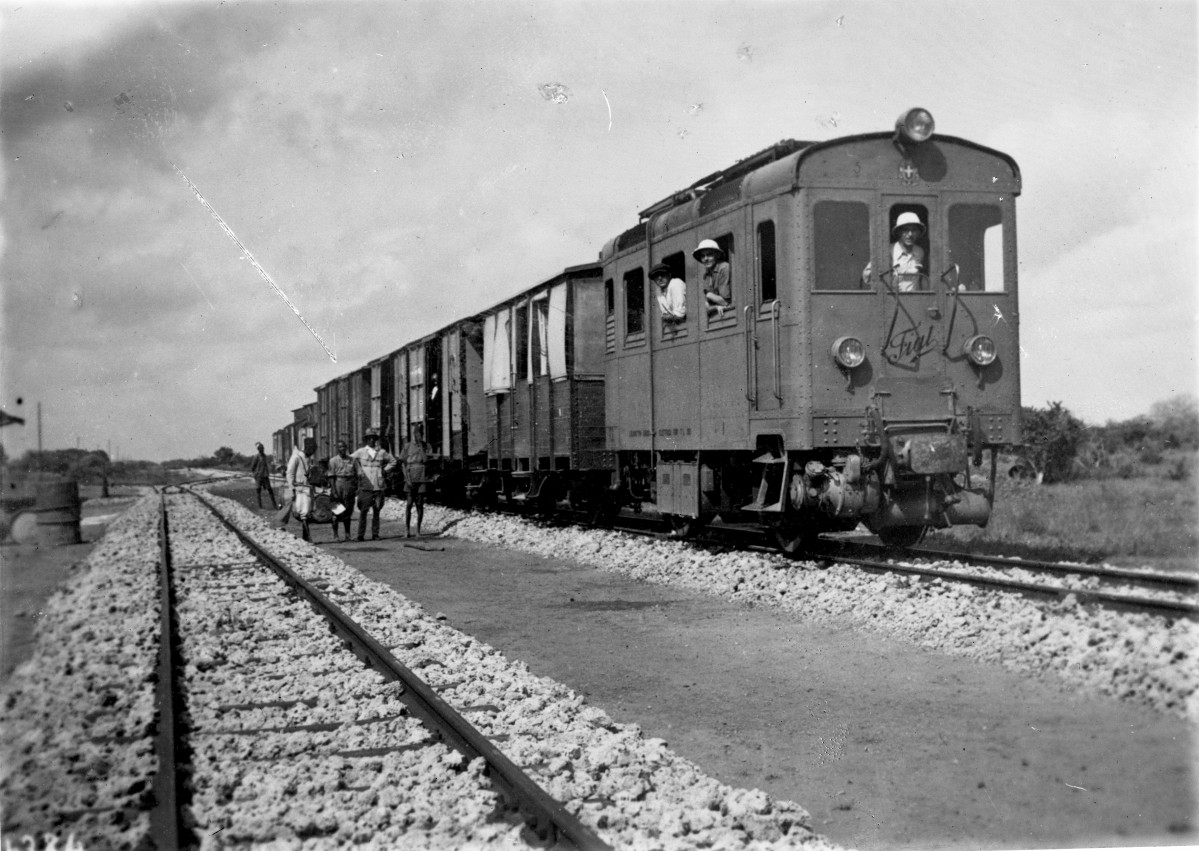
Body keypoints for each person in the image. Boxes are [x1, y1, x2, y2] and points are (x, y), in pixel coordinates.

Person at [351, 429, 397, 541]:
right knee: (363, 511)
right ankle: (360, 535)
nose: (371, 440)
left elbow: (393, 461)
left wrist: (385, 470)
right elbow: (350, 460)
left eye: (373, 438)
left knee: (377, 510)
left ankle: (375, 534)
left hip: (378, 484)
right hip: (365, 485)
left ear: (376, 440)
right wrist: (358, 470)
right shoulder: (361, 452)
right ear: (366, 440)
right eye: (369, 438)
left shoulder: (381, 452)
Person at [863, 212, 927, 291]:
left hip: (915, 299)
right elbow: (867, 277)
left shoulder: (919, 252)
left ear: (918, 233)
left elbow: (922, 278)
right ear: (899, 232)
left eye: (914, 230)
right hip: (893, 299)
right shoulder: (886, 251)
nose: (910, 234)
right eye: (905, 230)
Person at [400, 423, 430, 538]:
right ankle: (407, 530)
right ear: (413, 434)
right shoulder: (407, 446)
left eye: (420, 434)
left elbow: (425, 460)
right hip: (410, 477)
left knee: (420, 504)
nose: (418, 436)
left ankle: (418, 530)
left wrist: (421, 447)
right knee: (409, 504)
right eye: (416, 434)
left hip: (421, 477)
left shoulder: (425, 446)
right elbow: (403, 464)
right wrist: (406, 479)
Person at [286, 437, 317, 542]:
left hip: (307, 489)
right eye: (312, 450)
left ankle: (305, 536)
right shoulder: (296, 457)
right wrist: (292, 489)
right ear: (307, 447)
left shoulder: (308, 459)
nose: (313, 452)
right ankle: (307, 536)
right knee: (303, 513)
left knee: (307, 512)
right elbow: (290, 474)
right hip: (299, 489)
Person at [326, 440, 356, 542]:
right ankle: (336, 535)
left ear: (346, 448)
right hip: (338, 484)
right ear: (337, 449)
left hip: (349, 485)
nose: (342, 449)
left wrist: (355, 487)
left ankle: (347, 535)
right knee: (336, 512)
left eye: (343, 447)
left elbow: (357, 474)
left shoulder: (352, 460)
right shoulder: (333, 461)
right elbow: (331, 477)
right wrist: (334, 490)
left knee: (348, 512)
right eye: (340, 447)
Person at [694, 239, 731, 318]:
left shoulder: (724, 268)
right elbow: (706, 307)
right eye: (703, 256)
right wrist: (716, 307)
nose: (706, 258)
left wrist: (709, 295)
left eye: (709, 255)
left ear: (717, 255)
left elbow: (725, 302)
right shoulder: (707, 275)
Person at [250, 442, 278, 509]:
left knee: (270, 490)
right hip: (259, 476)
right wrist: (255, 474)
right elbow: (252, 467)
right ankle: (260, 507)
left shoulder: (265, 456)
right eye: (261, 448)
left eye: (263, 448)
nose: (262, 449)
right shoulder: (256, 457)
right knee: (258, 491)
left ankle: (275, 506)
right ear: (258, 449)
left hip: (265, 476)